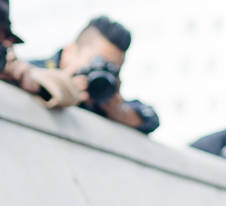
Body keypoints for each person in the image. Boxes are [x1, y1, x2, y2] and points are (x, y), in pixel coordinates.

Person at [29, 16, 159, 133]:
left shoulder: (103, 103)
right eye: (97, 64)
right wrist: (55, 87)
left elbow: (151, 118)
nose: (102, 74)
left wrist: (121, 113)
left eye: (112, 69)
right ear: (69, 52)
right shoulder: (31, 71)